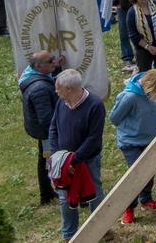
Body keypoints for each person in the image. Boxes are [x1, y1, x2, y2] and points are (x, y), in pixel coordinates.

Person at [109, 67, 156, 225]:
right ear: (152, 86)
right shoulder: (129, 97)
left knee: (149, 171)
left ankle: (146, 199)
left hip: (150, 140)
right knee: (136, 177)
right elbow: (114, 118)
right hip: (131, 142)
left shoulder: (152, 94)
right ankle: (128, 208)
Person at [49, 68, 106, 240]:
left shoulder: (95, 105)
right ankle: (69, 235)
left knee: (94, 193)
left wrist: (73, 159)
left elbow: (94, 138)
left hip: (87, 159)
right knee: (64, 197)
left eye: (58, 88)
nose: (55, 91)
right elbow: (53, 128)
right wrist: (57, 155)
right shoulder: (61, 102)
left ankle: (101, 229)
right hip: (63, 162)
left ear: (69, 89)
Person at [19, 50, 61, 206]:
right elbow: (46, 118)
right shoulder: (40, 88)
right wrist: (57, 133)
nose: (54, 62)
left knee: (43, 160)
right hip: (46, 133)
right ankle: (54, 191)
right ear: (37, 66)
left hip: (38, 129)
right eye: (50, 61)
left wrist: (55, 67)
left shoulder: (34, 77)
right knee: (50, 161)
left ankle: (47, 193)